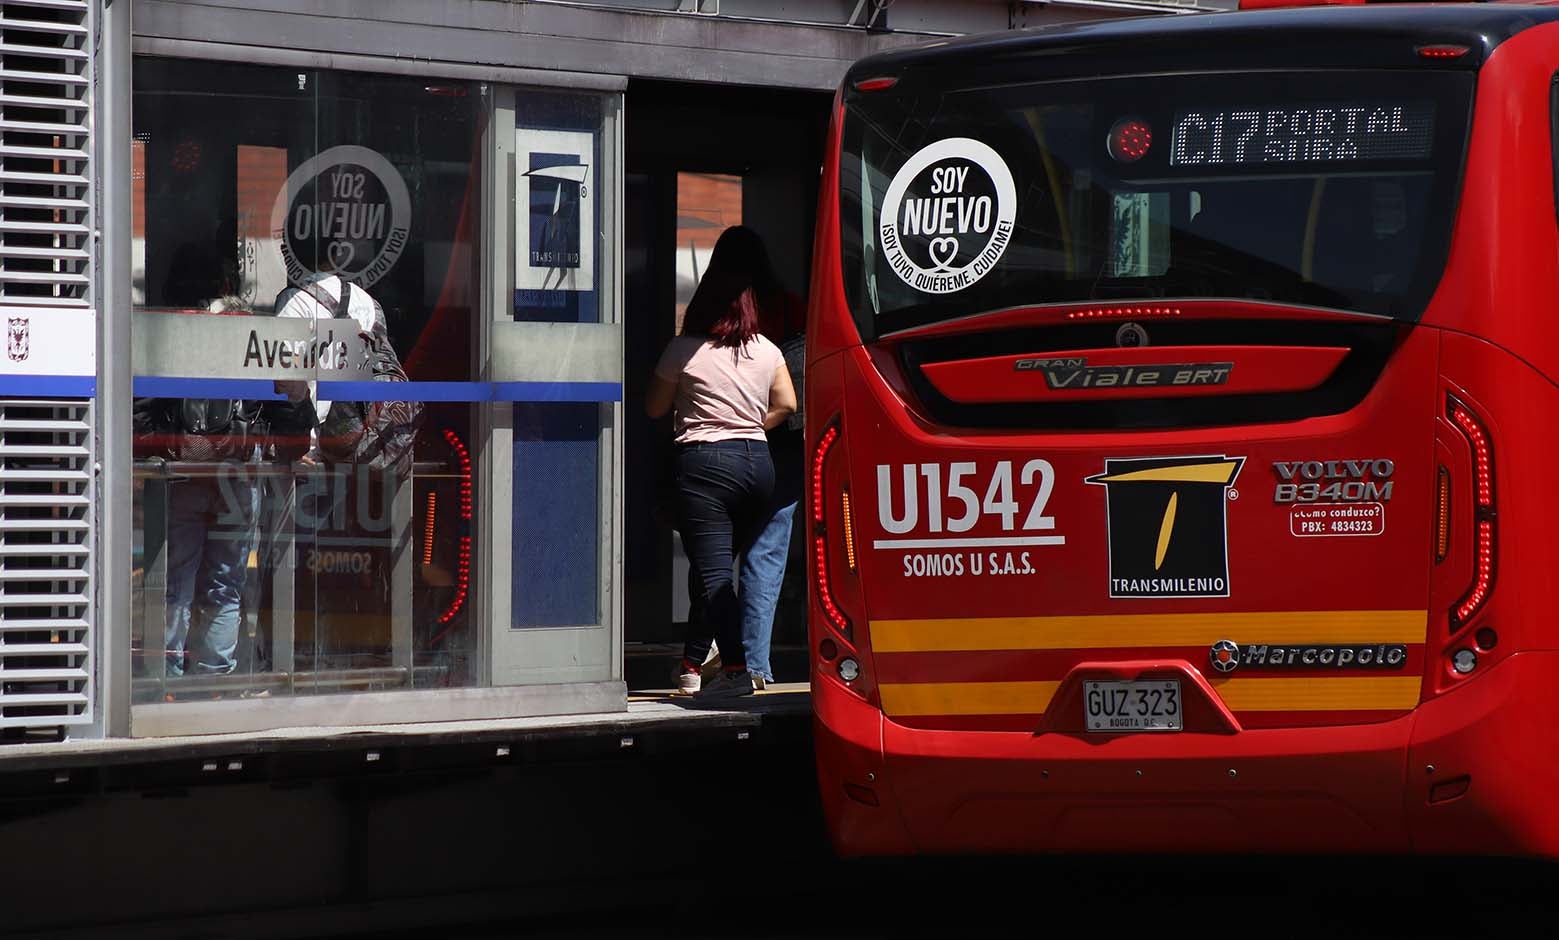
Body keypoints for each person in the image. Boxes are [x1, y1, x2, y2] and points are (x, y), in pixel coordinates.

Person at [647, 228, 797, 701]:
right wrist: (751, 421)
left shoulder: (683, 351)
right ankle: (693, 663)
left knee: (713, 574)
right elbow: (788, 404)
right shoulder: (769, 350)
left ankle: (736, 669)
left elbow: (654, 409)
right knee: (723, 565)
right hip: (759, 464)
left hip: (706, 465)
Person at [133, 294, 263, 682]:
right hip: (237, 483)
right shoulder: (257, 359)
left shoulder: (183, 354)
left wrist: (155, 444)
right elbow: (290, 417)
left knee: (177, 584)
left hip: (185, 477)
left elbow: (143, 403)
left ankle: (167, 675)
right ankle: (214, 678)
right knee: (225, 586)